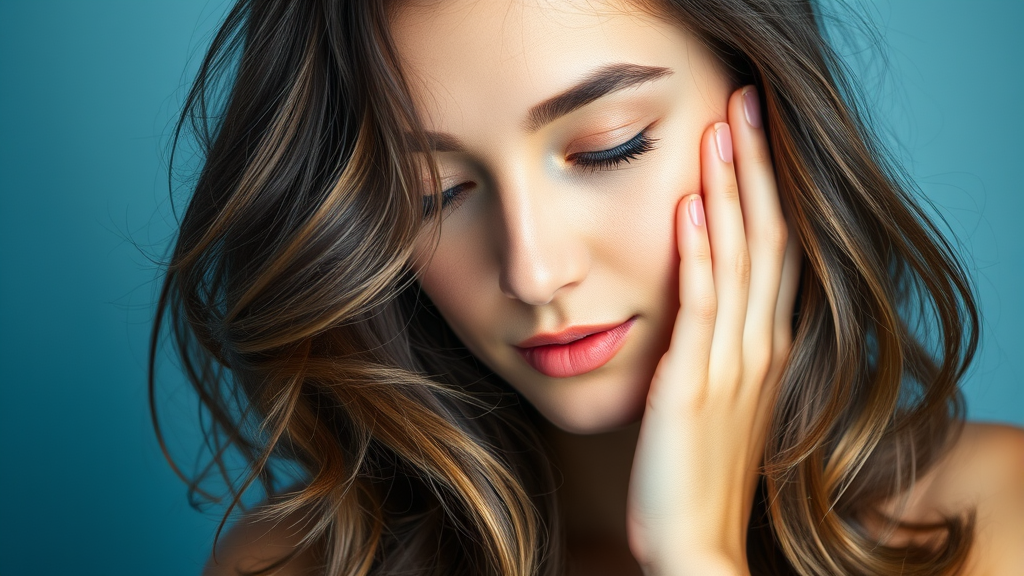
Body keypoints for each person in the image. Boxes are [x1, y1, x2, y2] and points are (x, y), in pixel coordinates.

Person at [149, 0, 1024, 574]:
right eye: (433, 194)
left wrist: (696, 556)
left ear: (768, 107)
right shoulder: (292, 565)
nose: (533, 271)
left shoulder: (999, 521)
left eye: (609, 146)